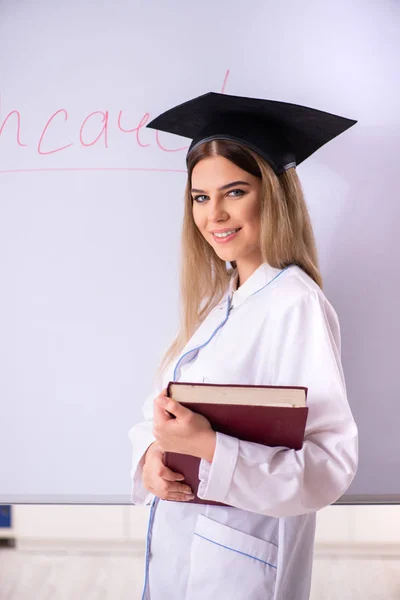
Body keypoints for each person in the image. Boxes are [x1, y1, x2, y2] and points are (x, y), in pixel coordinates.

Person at [128, 92, 358, 600]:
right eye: (200, 197)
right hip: (180, 550)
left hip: (241, 567)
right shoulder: (219, 303)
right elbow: (162, 414)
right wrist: (152, 455)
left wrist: (208, 447)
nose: (214, 215)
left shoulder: (294, 303)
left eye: (234, 191)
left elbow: (328, 467)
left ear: (272, 195)